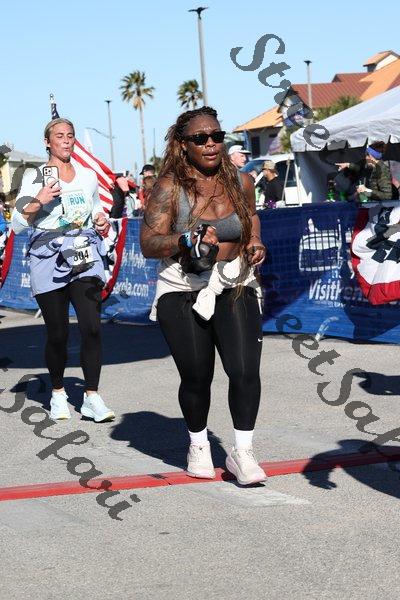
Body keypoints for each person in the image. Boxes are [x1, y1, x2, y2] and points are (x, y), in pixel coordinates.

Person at [140, 106, 267, 486]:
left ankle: (243, 452)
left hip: (235, 281)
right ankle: (198, 444)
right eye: (200, 138)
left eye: (216, 136)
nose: (210, 143)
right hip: (183, 288)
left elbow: (250, 217)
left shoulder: (241, 182)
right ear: (184, 145)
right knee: (197, 377)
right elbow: (148, 243)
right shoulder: (168, 189)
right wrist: (184, 239)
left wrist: (255, 242)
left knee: (244, 370)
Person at [11, 117, 115, 422]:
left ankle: (92, 396)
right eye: (59, 136)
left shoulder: (87, 175)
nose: (66, 140)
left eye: (70, 135)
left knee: (91, 327)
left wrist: (100, 220)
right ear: (48, 142)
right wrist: (39, 200)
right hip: (47, 256)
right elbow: (17, 224)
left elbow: (96, 207)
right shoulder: (35, 177)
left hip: (83, 253)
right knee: (57, 333)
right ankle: (57, 392)